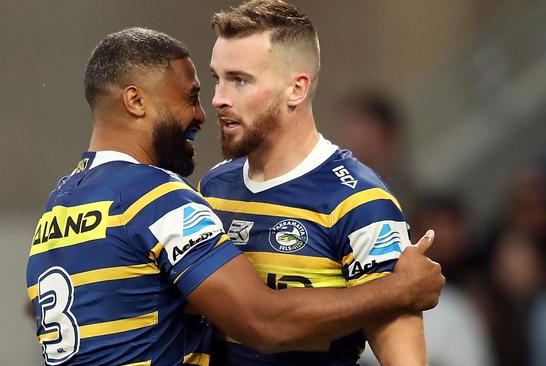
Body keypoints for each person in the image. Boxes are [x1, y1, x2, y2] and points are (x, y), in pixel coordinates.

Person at [26, 27, 444, 366]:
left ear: (296, 88)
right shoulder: (161, 198)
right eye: (195, 93)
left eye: (237, 80)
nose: (208, 109)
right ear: (135, 101)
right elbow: (264, 323)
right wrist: (399, 289)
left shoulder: (59, 203)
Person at [199, 1, 432, 365]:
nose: (218, 99)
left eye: (240, 80)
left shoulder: (360, 203)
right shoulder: (214, 186)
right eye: (218, 79)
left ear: (296, 89)